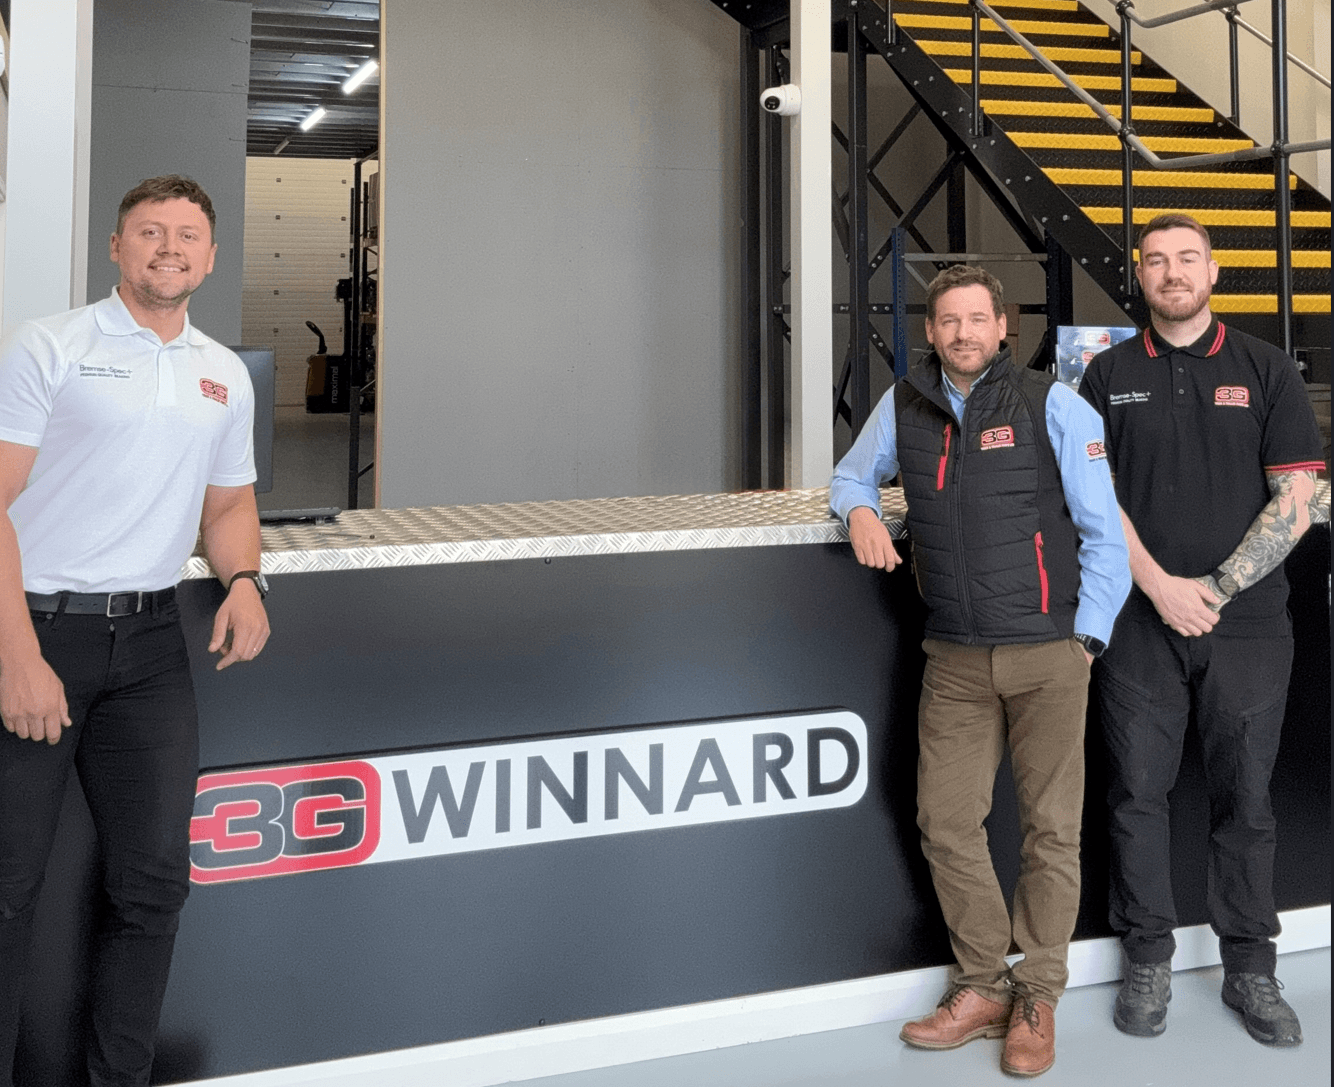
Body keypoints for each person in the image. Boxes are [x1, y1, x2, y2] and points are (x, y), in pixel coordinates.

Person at [0, 175, 271, 1086]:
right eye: (149, 231)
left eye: (187, 235)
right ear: (115, 247)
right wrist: (18, 657)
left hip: (153, 650)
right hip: (40, 631)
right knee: (6, 894)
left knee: (152, 887)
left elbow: (229, 501)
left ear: (210, 256)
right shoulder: (52, 345)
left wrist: (243, 578)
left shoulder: (220, 371)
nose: (169, 247)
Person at [830, 264, 1129, 1078]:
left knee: (1049, 830)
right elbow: (851, 472)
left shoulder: (1052, 405)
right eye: (947, 321)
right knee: (947, 821)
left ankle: (1037, 991)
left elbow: (1106, 534)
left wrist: (1087, 641)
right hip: (955, 654)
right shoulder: (905, 404)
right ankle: (983, 982)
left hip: (1048, 652)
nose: (962, 333)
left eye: (977, 319)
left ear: (1004, 328)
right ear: (930, 332)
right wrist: (858, 507)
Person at [1078, 213, 1324, 1048]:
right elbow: (1091, 499)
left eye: (1187, 259)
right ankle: (1146, 958)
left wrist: (1212, 589)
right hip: (1138, 627)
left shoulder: (1267, 369)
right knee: (1135, 795)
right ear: (1139, 277)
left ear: (1213, 272)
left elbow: (1299, 497)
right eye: (1156, 261)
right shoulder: (1104, 376)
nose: (1171, 272)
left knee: (1245, 801)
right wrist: (1158, 586)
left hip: (1250, 626)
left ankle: (1250, 966)